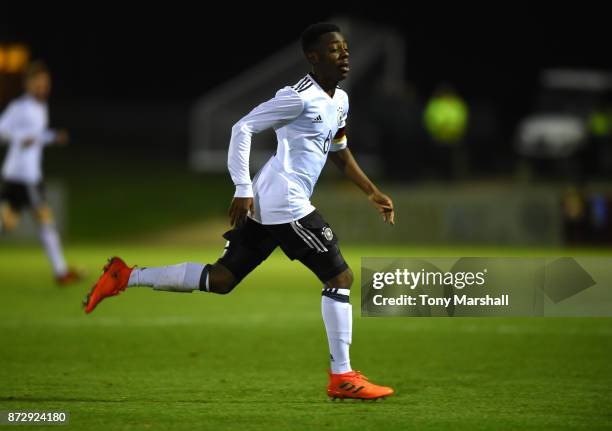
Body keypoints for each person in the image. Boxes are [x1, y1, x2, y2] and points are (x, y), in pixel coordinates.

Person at [83, 23, 395, 400]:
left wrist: (371, 191)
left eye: (345, 48)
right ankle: (342, 376)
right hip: (284, 200)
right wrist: (242, 187)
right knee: (340, 278)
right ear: (313, 57)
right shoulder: (297, 97)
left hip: (272, 200)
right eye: (334, 50)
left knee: (222, 279)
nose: (344, 55)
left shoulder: (340, 100)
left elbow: (338, 150)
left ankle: (125, 276)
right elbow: (242, 127)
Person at [0, 61, 81, 285]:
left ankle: (61, 271)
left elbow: (36, 136)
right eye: (39, 84)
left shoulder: (40, 107)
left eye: (46, 84)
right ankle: (61, 272)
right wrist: (20, 138)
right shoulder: (20, 107)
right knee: (45, 221)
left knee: (7, 222)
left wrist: (53, 137)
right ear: (28, 84)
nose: (43, 88)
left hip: (23, 176)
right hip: (24, 176)